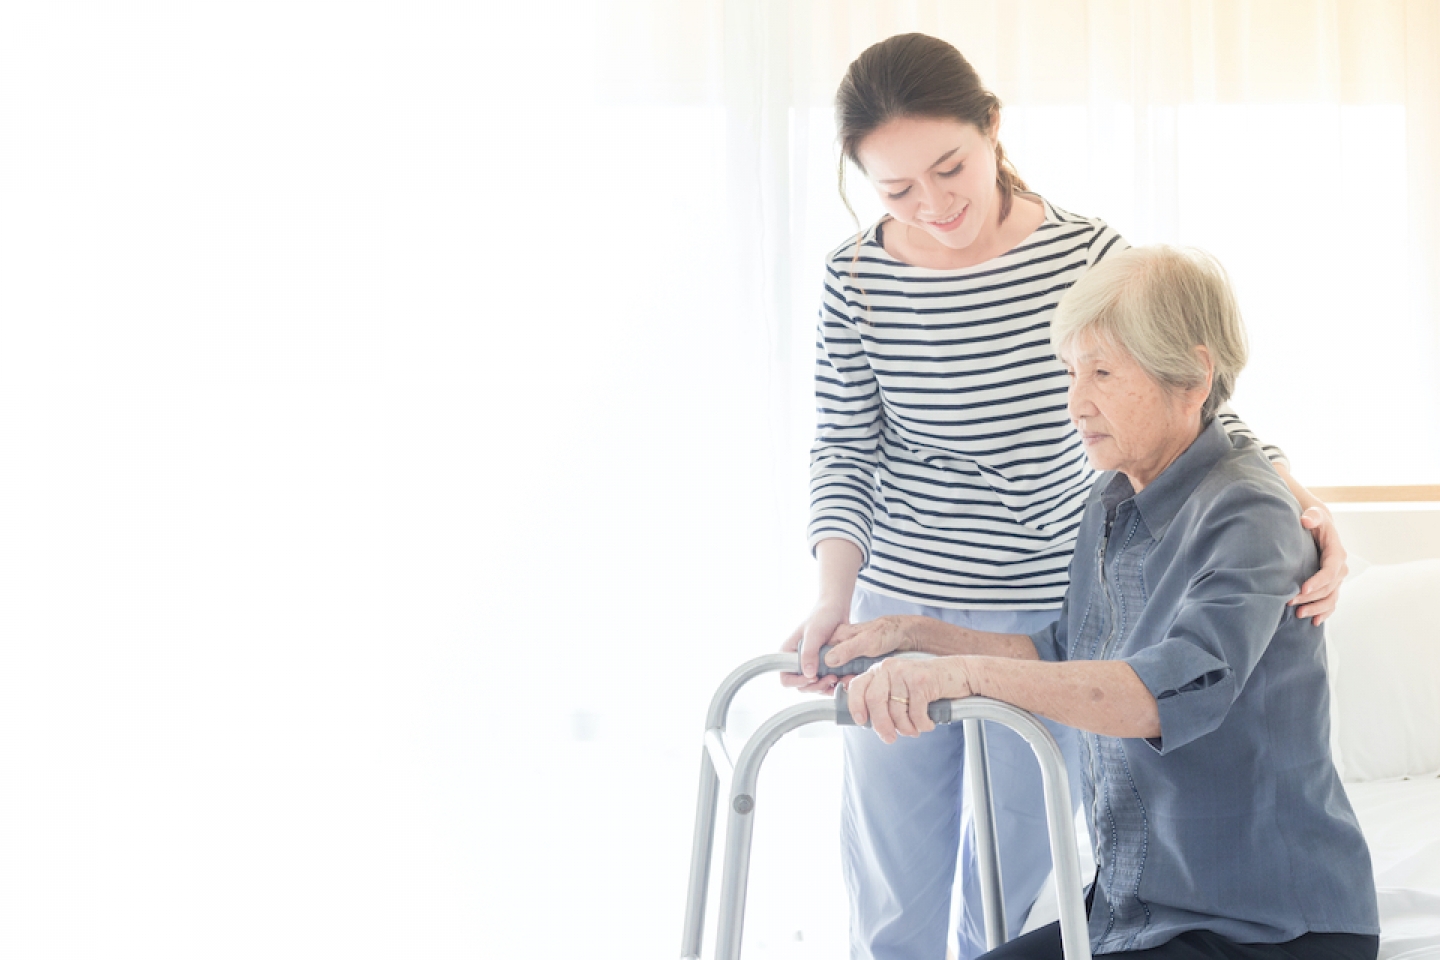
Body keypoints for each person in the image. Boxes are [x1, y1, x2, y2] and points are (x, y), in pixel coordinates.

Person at [780, 32, 1350, 960]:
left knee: (1014, 885)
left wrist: (1306, 510)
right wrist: (833, 603)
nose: (933, 205)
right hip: (902, 595)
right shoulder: (857, 280)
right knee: (892, 896)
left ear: (993, 128)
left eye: (950, 166)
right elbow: (845, 446)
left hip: (1048, 608)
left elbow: (1197, 398)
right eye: (896, 190)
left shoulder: (1085, 253)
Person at [827, 244, 1379, 960]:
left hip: (1266, 927)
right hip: (1141, 908)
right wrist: (906, 633)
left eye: (1103, 373)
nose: (1074, 401)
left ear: (1193, 375)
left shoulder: (1249, 514)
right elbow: (1064, 653)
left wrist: (958, 677)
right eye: (1070, 371)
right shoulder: (1116, 499)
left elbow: (1157, 697)